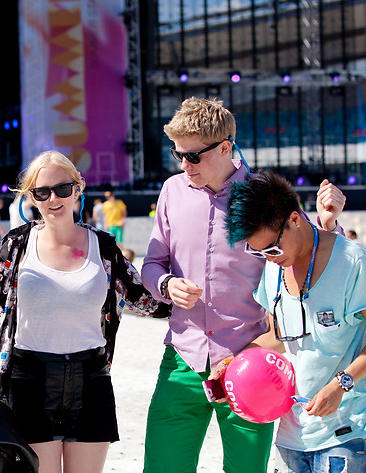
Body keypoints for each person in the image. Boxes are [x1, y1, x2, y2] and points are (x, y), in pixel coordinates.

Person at [141, 97, 346, 473]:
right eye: (178, 155)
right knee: (162, 468)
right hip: (182, 360)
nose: (185, 166)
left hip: (251, 363)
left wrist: (330, 225)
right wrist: (166, 284)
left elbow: (311, 257)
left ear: (225, 147)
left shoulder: (266, 195)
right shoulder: (171, 191)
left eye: (194, 156)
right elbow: (152, 264)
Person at [0, 150, 164, 473]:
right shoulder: (17, 246)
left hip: (91, 376)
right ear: (31, 198)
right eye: (42, 192)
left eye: (63, 189)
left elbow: (146, 300)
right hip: (29, 378)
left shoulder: (104, 247)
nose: (54, 198)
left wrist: (181, 289)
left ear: (78, 188)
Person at [224, 171, 366, 473]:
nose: (269, 258)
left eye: (272, 248)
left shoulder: (351, 260)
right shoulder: (274, 269)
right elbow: (280, 336)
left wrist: (342, 383)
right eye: (258, 252)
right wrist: (233, 362)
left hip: (349, 429)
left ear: (294, 219)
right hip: (292, 434)